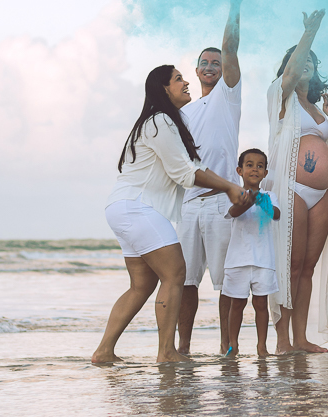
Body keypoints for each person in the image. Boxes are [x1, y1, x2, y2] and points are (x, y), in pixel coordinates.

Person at [93, 65, 247, 364]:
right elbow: (185, 173)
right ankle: (166, 352)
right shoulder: (160, 121)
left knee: (142, 285)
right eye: (178, 79)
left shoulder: (158, 122)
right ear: (163, 88)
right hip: (139, 208)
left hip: (123, 207)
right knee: (176, 272)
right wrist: (229, 185)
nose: (186, 81)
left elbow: (182, 171)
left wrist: (224, 185)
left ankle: (104, 352)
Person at [177, 0, 254, 355]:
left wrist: (234, 5)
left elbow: (230, 48)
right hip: (189, 205)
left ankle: (228, 346)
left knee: (228, 283)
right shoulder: (182, 112)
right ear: (195, 70)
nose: (211, 66)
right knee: (185, 282)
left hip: (222, 203)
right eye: (204, 63)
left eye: (216, 63)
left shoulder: (229, 94)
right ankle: (183, 347)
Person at [266, 9, 328, 352]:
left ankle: (301, 338)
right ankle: (283, 340)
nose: (306, 63)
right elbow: (292, 70)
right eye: (300, 60)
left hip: (321, 194)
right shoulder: (279, 97)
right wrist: (309, 33)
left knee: (308, 268)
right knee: (290, 263)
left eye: (312, 59)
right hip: (291, 189)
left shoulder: (317, 107)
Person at [223, 148, 281, 358]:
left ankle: (262, 347)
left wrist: (260, 200)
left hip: (263, 260)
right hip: (238, 260)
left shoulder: (269, 196)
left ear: (265, 173)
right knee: (236, 304)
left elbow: (276, 215)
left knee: (260, 304)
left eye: (260, 166)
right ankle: (233, 345)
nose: (255, 169)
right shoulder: (234, 194)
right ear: (240, 170)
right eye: (249, 165)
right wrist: (248, 200)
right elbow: (233, 213)